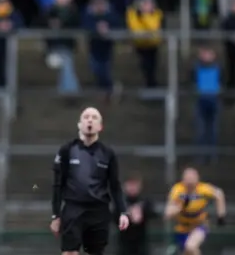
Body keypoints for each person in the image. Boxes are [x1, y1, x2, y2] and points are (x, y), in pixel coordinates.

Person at [50, 107, 130, 255]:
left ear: (100, 126)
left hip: (98, 211)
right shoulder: (67, 150)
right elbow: (57, 185)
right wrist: (55, 215)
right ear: (79, 124)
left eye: (94, 117)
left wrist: (123, 212)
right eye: (86, 117)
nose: (90, 120)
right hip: (73, 209)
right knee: (69, 252)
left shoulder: (107, 153)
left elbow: (115, 185)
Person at [165, 168, 227, 255]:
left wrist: (221, 215)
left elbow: (219, 194)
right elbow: (168, 213)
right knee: (189, 252)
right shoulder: (177, 189)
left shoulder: (203, 188)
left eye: (192, 177)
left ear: (197, 178)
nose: (190, 181)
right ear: (183, 179)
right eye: (188, 177)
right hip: (182, 228)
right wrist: (178, 208)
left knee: (190, 246)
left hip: (199, 225)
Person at [117, 173, 156, 255]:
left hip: (142, 244)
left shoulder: (145, 201)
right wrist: (129, 214)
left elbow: (153, 213)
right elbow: (113, 216)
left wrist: (141, 212)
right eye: (130, 185)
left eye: (135, 185)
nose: (132, 188)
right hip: (124, 245)